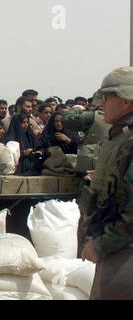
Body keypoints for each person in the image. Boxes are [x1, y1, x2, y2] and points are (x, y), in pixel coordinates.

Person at [78, 67, 133, 300]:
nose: (101, 103)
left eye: (107, 97)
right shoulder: (119, 136)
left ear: (126, 101)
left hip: (124, 252)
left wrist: (102, 244)